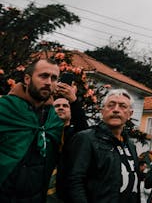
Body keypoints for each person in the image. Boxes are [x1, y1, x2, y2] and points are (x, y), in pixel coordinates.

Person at [0, 58, 64, 202]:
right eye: (43, 76)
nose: (49, 82)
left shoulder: (54, 119)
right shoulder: (5, 108)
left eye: (54, 78)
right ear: (27, 79)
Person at [68, 88, 141, 202]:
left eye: (122, 106)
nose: (116, 110)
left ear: (130, 114)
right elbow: (74, 181)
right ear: (102, 111)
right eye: (111, 105)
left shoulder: (131, 146)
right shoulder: (86, 138)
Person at [49, 84, 89, 202]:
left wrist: (74, 100)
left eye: (65, 106)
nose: (61, 107)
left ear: (71, 112)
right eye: (57, 106)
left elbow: (83, 127)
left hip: (67, 193)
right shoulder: (44, 131)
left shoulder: (77, 134)